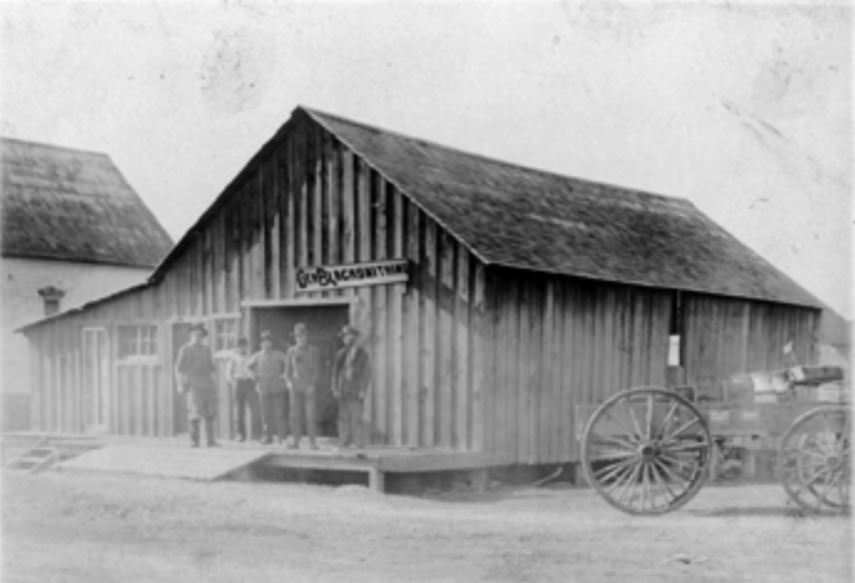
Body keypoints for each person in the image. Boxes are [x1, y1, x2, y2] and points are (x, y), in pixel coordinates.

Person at [174, 323, 219, 448]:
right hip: (193, 385)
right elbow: (178, 369)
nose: (197, 337)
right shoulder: (185, 349)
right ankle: (194, 441)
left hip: (207, 384)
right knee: (195, 413)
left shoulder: (206, 349)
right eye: (195, 335)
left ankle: (211, 441)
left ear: (203, 337)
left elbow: (211, 368)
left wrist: (214, 384)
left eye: (200, 335)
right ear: (191, 335)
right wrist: (179, 384)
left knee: (210, 412)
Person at [331, 325, 371, 449]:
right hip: (343, 389)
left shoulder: (363, 355)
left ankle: (358, 443)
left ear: (355, 338)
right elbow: (335, 373)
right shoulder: (340, 354)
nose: (347, 339)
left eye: (350, 336)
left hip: (356, 390)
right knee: (343, 417)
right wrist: (335, 388)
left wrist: (363, 390)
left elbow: (367, 374)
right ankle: (344, 442)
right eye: (345, 337)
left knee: (357, 417)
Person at [248, 330, 289, 445]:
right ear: (261, 344)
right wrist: (254, 376)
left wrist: (284, 376)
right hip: (263, 388)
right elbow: (248, 366)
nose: (266, 344)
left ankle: (282, 437)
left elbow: (288, 363)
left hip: (277, 387)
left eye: (268, 342)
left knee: (279, 413)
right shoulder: (257, 356)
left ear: (271, 343)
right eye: (264, 342)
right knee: (266, 414)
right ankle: (268, 437)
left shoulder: (278, 354)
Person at [284, 322, 320, 449]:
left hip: (308, 387)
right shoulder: (291, 351)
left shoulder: (313, 350)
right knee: (294, 416)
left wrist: (313, 384)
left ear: (307, 336)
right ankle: (295, 441)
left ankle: (312, 442)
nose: (301, 338)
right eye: (298, 336)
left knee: (310, 415)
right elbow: (287, 370)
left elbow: (316, 370)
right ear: (295, 338)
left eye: (303, 336)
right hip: (294, 387)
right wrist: (288, 382)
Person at [227, 336, 260, 442]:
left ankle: (256, 434)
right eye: (240, 346)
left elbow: (255, 370)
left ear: (247, 346)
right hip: (238, 383)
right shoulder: (233, 358)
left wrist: (254, 378)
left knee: (255, 409)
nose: (242, 348)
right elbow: (228, 373)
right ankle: (240, 434)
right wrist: (233, 382)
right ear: (237, 347)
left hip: (249, 383)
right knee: (239, 411)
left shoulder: (251, 357)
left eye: (244, 346)